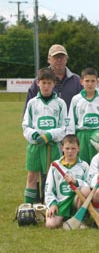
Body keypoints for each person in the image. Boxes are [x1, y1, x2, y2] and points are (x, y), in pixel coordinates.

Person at [22, 68, 67, 204]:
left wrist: (49, 135)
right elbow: (25, 125)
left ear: (54, 84)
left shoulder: (60, 103)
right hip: (35, 146)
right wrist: (34, 135)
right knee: (31, 176)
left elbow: (64, 127)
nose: (46, 86)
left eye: (49, 83)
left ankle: (50, 206)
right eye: (43, 83)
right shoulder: (32, 103)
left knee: (52, 177)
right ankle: (29, 208)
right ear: (38, 83)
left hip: (52, 146)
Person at [44, 134, 90, 229]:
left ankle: (79, 218)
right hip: (61, 201)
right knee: (50, 224)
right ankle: (62, 217)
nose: (70, 151)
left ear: (79, 148)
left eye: (73, 148)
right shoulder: (55, 166)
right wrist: (52, 204)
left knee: (86, 190)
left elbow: (89, 185)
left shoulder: (84, 165)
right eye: (67, 148)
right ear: (62, 148)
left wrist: (76, 182)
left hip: (76, 200)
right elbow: (48, 188)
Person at [67, 67, 99, 164]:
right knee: (83, 164)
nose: (90, 84)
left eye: (92, 81)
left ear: (97, 81)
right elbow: (71, 121)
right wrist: (71, 139)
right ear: (81, 81)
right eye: (87, 81)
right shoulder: (76, 99)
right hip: (82, 136)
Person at [25, 44, 83, 111]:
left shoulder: (76, 81)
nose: (59, 60)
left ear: (66, 59)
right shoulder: (39, 81)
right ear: (49, 59)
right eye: (56, 57)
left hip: (70, 121)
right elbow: (28, 109)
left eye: (62, 57)